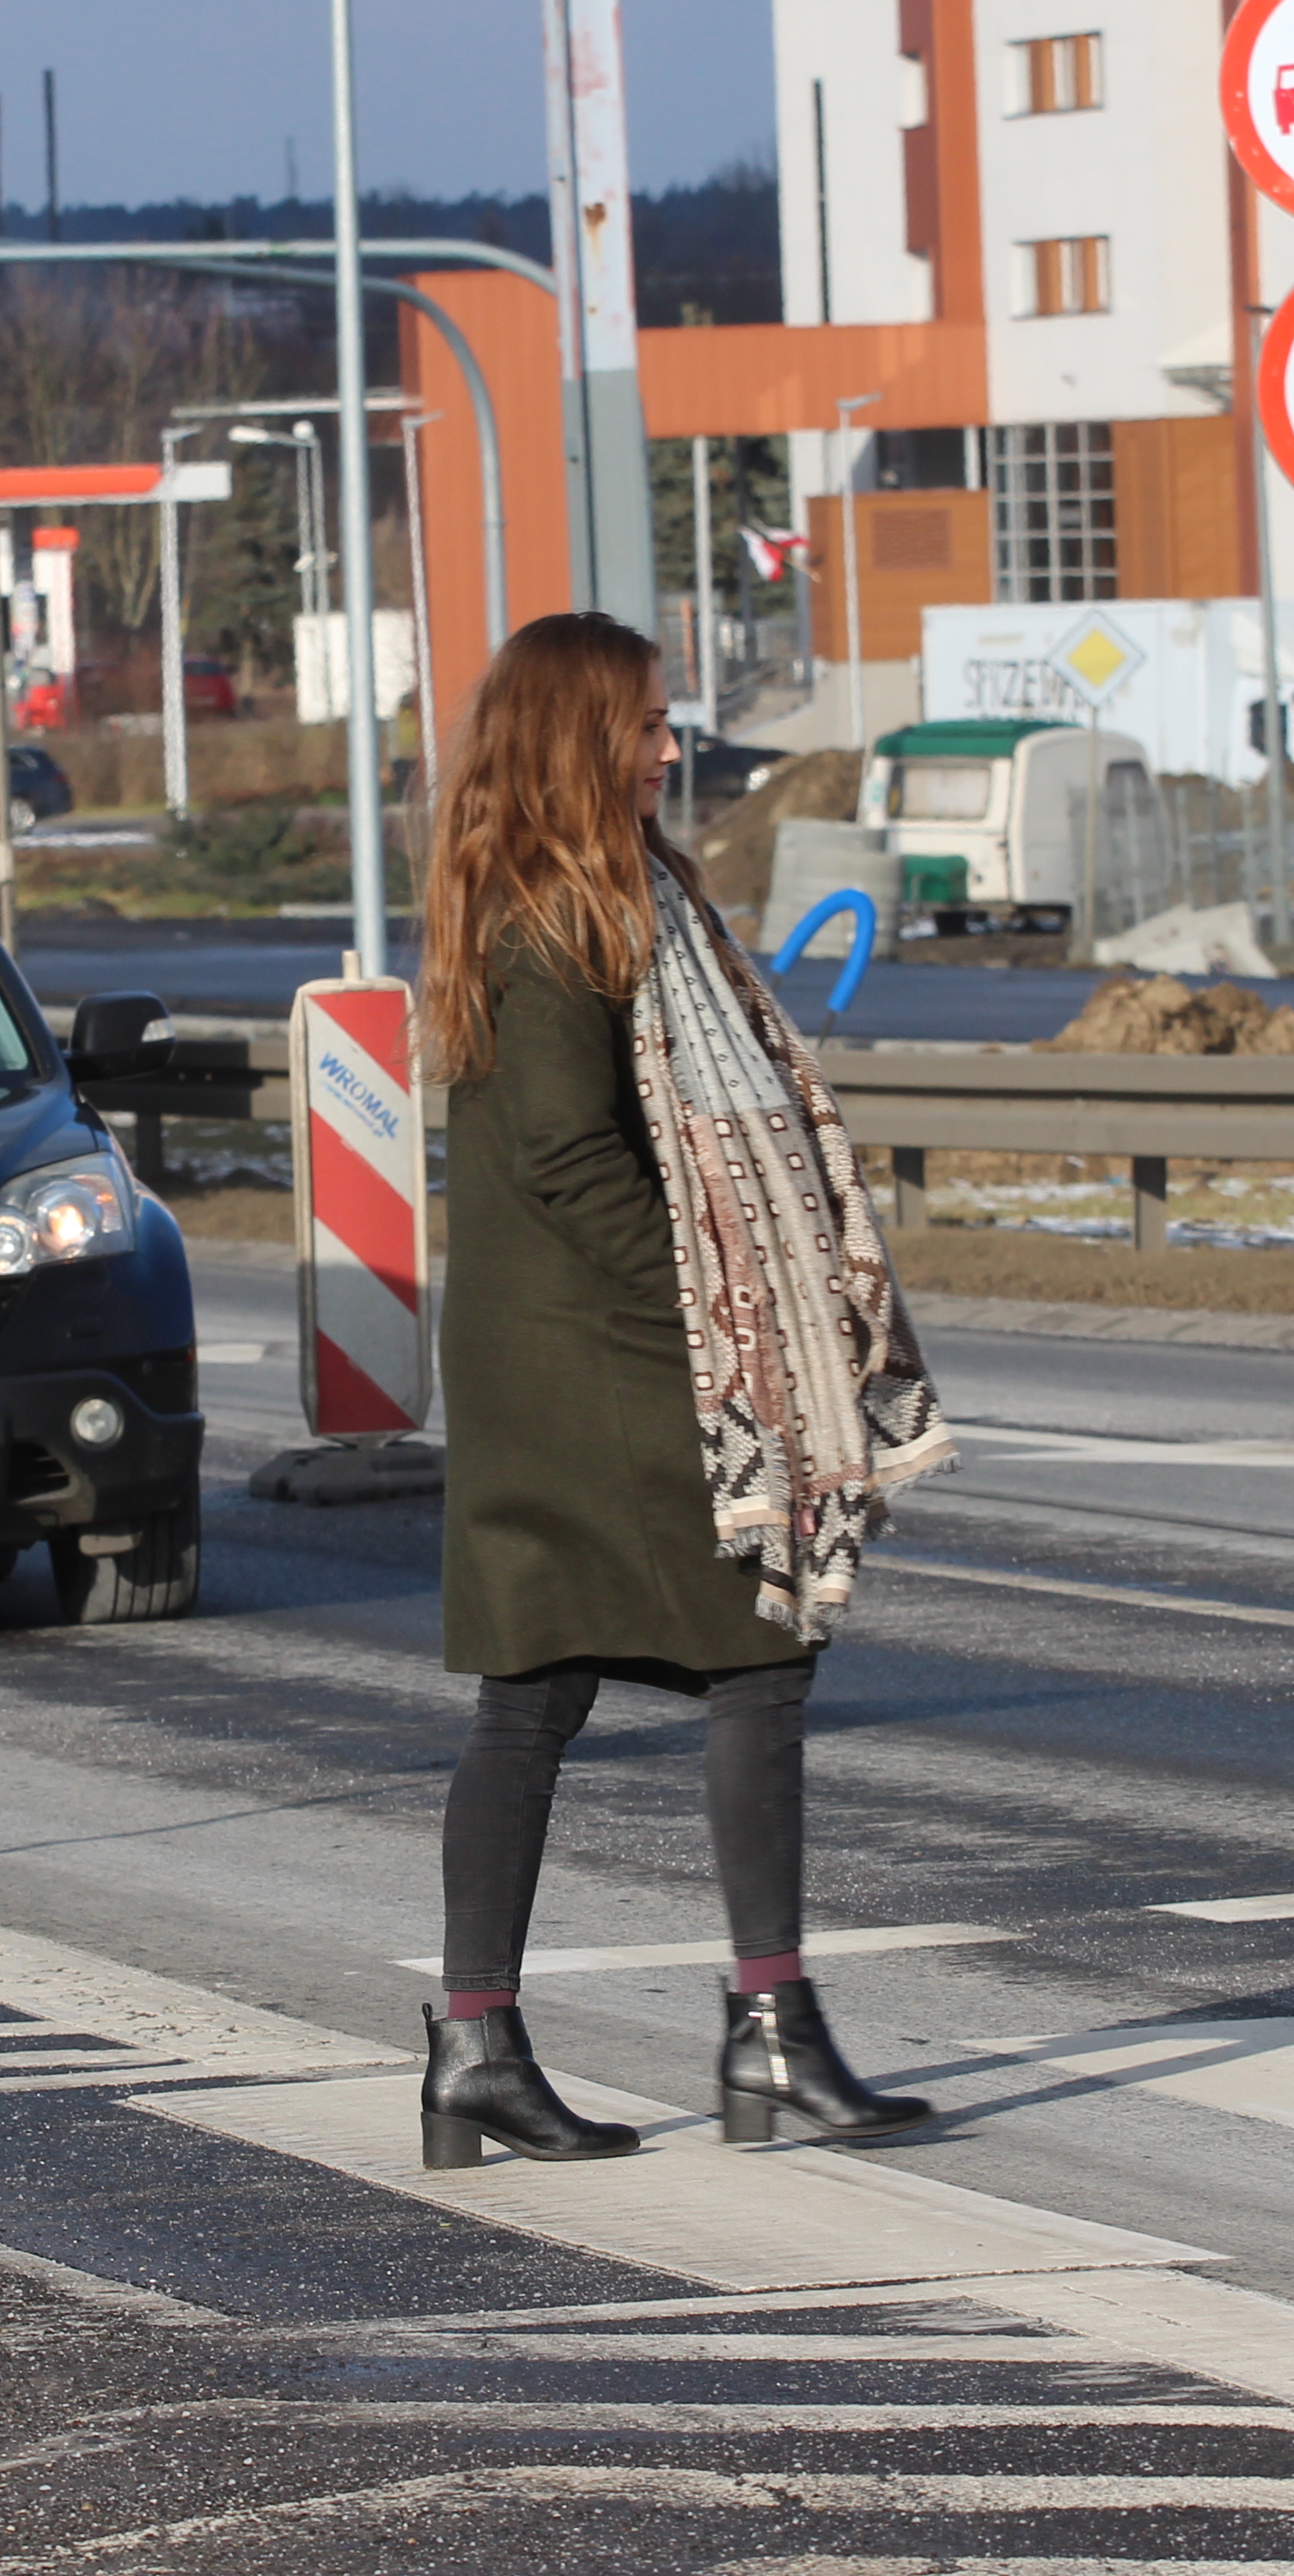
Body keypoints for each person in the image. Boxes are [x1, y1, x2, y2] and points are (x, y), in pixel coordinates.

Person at [413, 612, 958, 2169]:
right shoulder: (547, 913)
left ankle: (483, 2051)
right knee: (751, 1653)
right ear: (574, 734)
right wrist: (734, 1305)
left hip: (578, 1351)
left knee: (541, 1698)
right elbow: (573, 1158)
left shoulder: (615, 888)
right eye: (645, 725)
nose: (670, 747)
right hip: (604, 1357)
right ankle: (764, 2035)